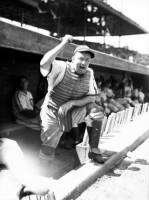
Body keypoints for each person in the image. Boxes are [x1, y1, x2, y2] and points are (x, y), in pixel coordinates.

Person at [40, 34, 108, 163]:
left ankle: (94, 151)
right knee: (48, 149)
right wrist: (64, 43)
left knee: (96, 111)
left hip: (72, 112)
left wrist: (72, 103)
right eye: (81, 59)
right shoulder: (61, 67)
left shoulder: (89, 72)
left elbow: (91, 98)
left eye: (87, 60)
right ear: (72, 59)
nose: (84, 63)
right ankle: (44, 169)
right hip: (52, 112)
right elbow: (44, 63)